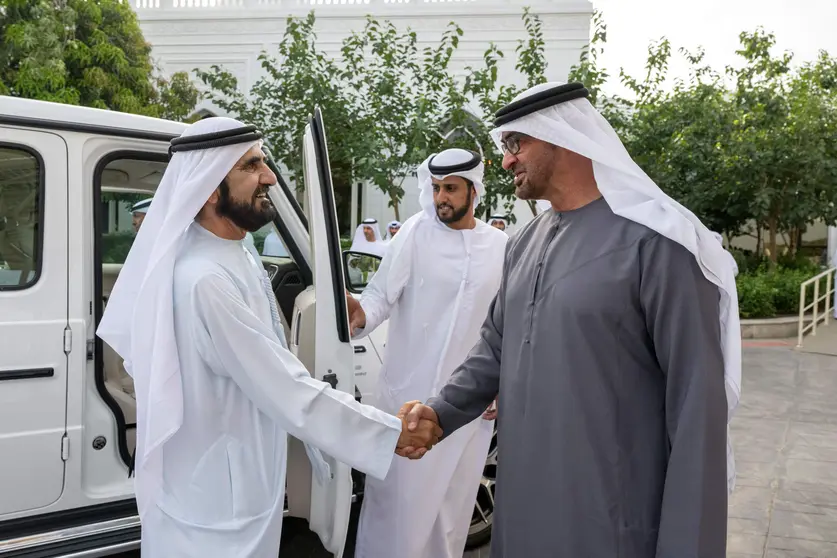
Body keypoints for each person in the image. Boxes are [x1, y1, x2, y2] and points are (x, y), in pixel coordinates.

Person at [399, 82, 741, 557]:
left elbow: (697, 408)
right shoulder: (523, 243)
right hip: (521, 514)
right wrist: (439, 413)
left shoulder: (659, 245)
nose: (505, 162)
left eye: (516, 144)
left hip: (611, 522)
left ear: (561, 136)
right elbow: (496, 348)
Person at [96, 118, 441, 557]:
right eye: (251, 165)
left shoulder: (235, 249)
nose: (270, 176)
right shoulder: (204, 278)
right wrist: (391, 433)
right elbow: (284, 387)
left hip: (238, 482)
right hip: (214, 509)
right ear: (207, 187)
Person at [348, 148, 508, 558]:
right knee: (397, 514)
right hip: (409, 405)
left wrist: (500, 388)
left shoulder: (501, 247)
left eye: (451, 189)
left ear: (474, 191)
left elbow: (511, 326)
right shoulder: (415, 233)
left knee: (450, 515)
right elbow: (381, 296)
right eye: (436, 188)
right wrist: (359, 314)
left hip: (468, 410)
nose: (441, 198)